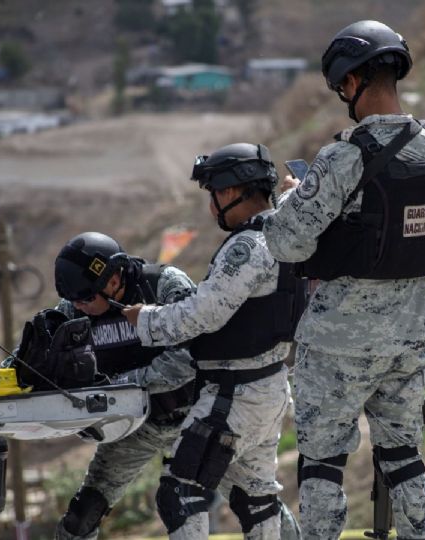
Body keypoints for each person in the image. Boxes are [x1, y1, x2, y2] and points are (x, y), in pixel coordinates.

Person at [261, 20, 425, 540]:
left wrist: (293, 195)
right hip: (412, 330)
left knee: (323, 462)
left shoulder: (345, 155)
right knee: (403, 454)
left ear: (352, 82)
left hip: (339, 338)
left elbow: (286, 241)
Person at [122, 143, 306, 540]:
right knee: (256, 501)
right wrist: (296, 191)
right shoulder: (290, 232)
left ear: (230, 192)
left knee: (179, 493)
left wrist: (144, 320)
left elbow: (203, 314)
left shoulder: (247, 245)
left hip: (233, 396)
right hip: (269, 388)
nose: (211, 205)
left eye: (213, 194)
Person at [48, 232, 198, 540]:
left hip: (196, 418)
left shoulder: (165, 284)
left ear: (113, 279)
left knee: (254, 501)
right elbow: (40, 352)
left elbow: (188, 357)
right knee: (82, 516)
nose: (81, 307)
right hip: (137, 427)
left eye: (88, 299)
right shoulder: (74, 306)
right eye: (76, 301)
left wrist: (120, 388)